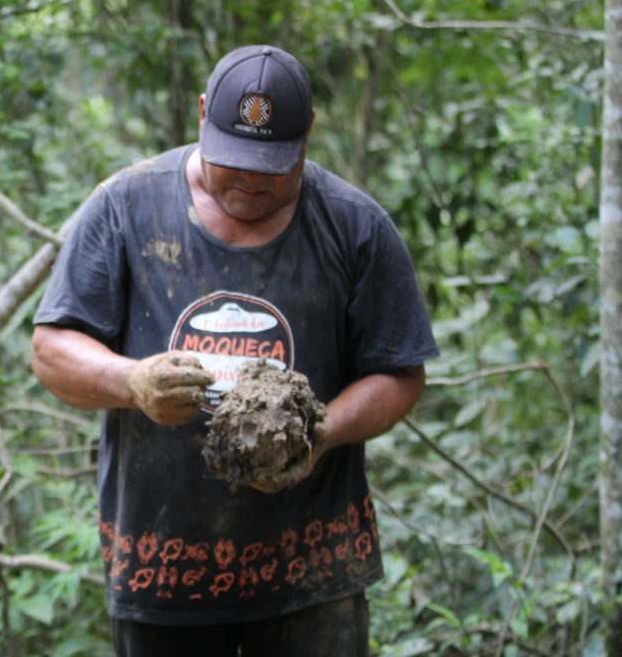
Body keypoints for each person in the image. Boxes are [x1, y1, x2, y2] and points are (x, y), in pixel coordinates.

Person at [30, 45, 439, 656]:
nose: (250, 180)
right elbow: (51, 350)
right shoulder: (127, 204)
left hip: (313, 571)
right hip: (162, 566)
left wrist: (320, 431)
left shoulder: (355, 225)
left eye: (271, 167)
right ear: (202, 114)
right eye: (235, 162)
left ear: (308, 135)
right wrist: (131, 381)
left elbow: (401, 373)